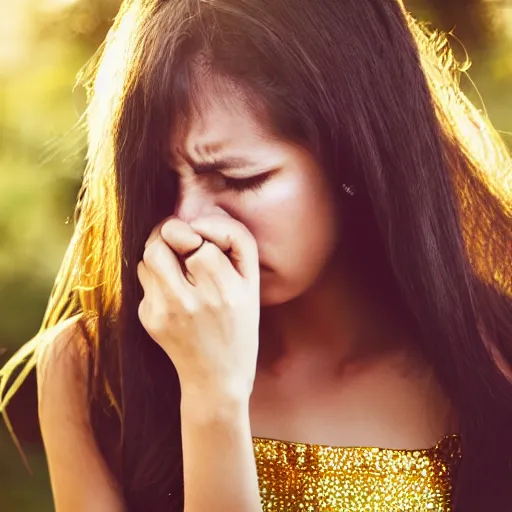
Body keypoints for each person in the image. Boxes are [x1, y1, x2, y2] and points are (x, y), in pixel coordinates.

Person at [1, 0, 512, 510]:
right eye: (160, 182)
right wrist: (211, 398)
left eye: (239, 179)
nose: (188, 223)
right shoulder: (91, 369)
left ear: (353, 159)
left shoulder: (491, 364)